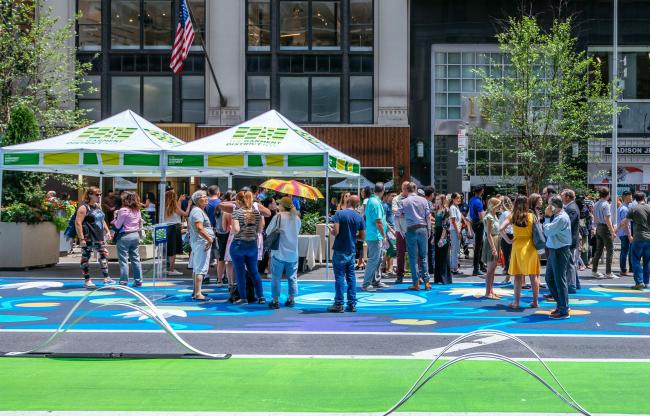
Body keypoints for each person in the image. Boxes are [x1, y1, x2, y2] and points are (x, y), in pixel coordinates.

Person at [500, 195, 541, 309]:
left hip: (517, 246)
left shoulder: (512, 216)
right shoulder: (532, 216)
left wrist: (508, 240)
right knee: (533, 276)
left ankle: (516, 302)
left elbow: (501, 228)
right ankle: (535, 302)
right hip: (530, 246)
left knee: (518, 276)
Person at [327, 195, 366, 312]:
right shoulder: (359, 217)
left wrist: (331, 230)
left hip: (340, 248)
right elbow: (362, 237)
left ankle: (339, 303)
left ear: (347, 201)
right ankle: (352, 303)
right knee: (351, 277)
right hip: (351, 249)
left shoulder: (339, 214)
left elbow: (336, 232)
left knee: (339, 277)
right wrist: (354, 236)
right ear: (357, 205)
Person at [266, 196, 302, 309]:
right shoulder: (297, 218)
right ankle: (291, 298)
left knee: (276, 277)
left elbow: (268, 231)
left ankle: (275, 300)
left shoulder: (278, 217)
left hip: (279, 251)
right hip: (293, 252)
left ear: (282, 205)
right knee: (292, 276)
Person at [230, 191, 266, 304]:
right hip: (252, 245)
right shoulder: (257, 213)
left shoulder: (236, 213)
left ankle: (243, 298)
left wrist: (232, 230)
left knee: (240, 273)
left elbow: (235, 229)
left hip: (238, 245)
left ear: (239, 201)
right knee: (254, 272)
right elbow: (260, 230)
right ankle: (261, 297)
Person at [75, 186, 113, 289]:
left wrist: (107, 231)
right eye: (97, 194)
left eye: (100, 194)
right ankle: (87, 280)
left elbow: (102, 219)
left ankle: (106, 277)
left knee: (104, 254)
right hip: (88, 237)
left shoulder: (98, 206)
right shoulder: (84, 207)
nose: (99, 196)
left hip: (99, 236)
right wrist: (81, 238)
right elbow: (78, 223)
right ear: (90, 195)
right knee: (86, 257)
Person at [542, 196, 572, 319]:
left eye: (549, 205)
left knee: (559, 280)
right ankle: (561, 304)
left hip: (559, 250)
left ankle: (563, 308)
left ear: (554, 206)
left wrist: (547, 218)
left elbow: (548, 231)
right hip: (555, 249)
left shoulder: (561, 218)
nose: (547, 208)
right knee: (549, 278)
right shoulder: (559, 217)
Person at [399, 182, 432, 291]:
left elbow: (398, 214)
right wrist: (429, 229)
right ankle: (427, 282)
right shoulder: (424, 200)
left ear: (407, 190)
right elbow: (428, 216)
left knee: (413, 258)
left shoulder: (404, 201)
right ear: (416, 189)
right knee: (423, 257)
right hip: (423, 228)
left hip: (411, 229)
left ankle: (416, 283)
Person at [112, 191, 143, 286]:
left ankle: (123, 281)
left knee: (123, 260)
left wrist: (115, 217)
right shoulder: (137, 210)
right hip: (135, 235)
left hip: (125, 236)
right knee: (135, 258)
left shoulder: (123, 210)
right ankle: (138, 280)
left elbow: (117, 225)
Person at [188, 190, 214, 301]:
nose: (206, 198)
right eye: (204, 197)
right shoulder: (197, 211)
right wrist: (209, 239)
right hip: (202, 242)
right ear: (198, 200)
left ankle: (196, 291)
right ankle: (198, 293)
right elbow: (199, 227)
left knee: (197, 267)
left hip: (199, 241)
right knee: (201, 268)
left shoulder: (197, 210)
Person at [621, 192, 650, 290]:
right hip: (649, 239)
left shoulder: (633, 209)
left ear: (635, 199)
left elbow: (625, 222)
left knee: (635, 260)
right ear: (644, 198)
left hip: (638, 238)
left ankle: (639, 282)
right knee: (647, 261)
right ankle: (646, 282)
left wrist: (628, 234)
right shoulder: (649, 208)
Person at [362, 182, 388, 291]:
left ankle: (375, 281)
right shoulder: (375, 202)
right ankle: (366, 283)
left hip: (375, 235)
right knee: (374, 259)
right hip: (375, 236)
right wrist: (384, 235)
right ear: (383, 190)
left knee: (378, 259)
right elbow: (378, 222)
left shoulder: (373, 200)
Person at [591, 188, 618, 279]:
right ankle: (608, 272)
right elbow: (607, 218)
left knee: (598, 250)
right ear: (608, 194)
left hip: (598, 227)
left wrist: (594, 227)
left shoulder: (596, 204)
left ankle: (594, 271)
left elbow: (594, 217)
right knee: (610, 249)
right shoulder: (606, 204)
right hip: (605, 228)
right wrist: (612, 231)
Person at [164, 188, 191, 276]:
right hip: (174, 228)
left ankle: (168, 268)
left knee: (169, 249)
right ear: (173, 197)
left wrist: (179, 200)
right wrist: (189, 205)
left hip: (168, 227)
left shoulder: (165, 205)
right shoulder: (174, 206)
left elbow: (177, 211)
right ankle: (171, 270)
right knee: (173, 250)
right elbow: (185, 214)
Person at [561, 189, 582, 293]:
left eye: (562, 196)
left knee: (569, 263)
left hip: (570, 239)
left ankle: (571, 285)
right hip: (570, 239)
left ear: (567, 197)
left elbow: (567, 223)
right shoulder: (570, 207)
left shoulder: (572, 208)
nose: (561, 198)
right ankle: (575, 283)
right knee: (570, 261)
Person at [482, 197, 502, 299]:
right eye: (498, 205)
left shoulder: (494, 215)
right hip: (492, 241)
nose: (500, 207)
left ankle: (491, 290)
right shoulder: (489, 216)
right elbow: (489, 234)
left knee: (493, 269)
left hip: (496, 240)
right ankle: (487, 292)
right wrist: (494, 248)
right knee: (490, 269)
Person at [391, 181, 410, 283]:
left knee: (414, 253)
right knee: (400, 254)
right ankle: (399, 276)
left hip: (411, 229)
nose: (406, 190)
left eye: (408, 188)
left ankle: (417, 276)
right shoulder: (396, 199)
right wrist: (405, 213)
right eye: (404, 188)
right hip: (399, 230)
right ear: (402, 188)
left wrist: (401, 213)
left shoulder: (411, 198)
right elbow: (394, 210)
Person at [433, 194, 452, 284]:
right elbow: (435, 224)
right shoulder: (437, 210)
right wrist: (434, 237)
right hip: (437, 233)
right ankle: (438, 278)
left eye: (438, 199)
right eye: (436, 199)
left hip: (443, 235)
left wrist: (441, 238)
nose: (436, 201)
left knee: (444, 256)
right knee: (437, 256)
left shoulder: (446, 210)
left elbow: (445, 226)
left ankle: (445, 278)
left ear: (442, 200)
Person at [469, 186, 486, 275]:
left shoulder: (472, 200)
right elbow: (481, 216)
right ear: (481, 191)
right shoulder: (478, 202)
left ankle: (481, 265)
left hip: (474, 223)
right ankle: (476, 268)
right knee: (478, 247)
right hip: (479, 223)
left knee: (480, 245)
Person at [615, 191, 633, 277]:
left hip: (622, 232)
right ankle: (623, 270)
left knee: (624, 251)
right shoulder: (625, 209)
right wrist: (629, 235)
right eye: (630, 196)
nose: (631, 198)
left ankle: (623, 269)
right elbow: (625, 224)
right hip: (625, 233)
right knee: (624, 252)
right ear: (626, 197)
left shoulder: (622, 207)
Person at [499, 196, 514, 284]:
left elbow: (501, 228)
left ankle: (508, 277)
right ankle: (510, 276)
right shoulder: (512, 212)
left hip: (506, 236)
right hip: (512, 235)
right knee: (510, 257)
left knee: (507, 257)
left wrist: (507, 239)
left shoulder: (504, 214)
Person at [382, 191, 397, 276]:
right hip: (388, 230)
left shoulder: (394, 206)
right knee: (392, 248)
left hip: (394, 230)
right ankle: (386, 266)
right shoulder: (385, 206)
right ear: (387, 196)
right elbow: (383, 220)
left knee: (391, 249)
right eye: (392, 196)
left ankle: (387, 267)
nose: (394, 197)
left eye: (395, 195)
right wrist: (391, 230)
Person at [449, 192, 463, 274]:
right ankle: (454, 267)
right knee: (454, 249)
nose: (459, 199)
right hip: (454, 230)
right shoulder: (453, 207)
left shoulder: (456, 207)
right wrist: (458, 232)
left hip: (457, 229)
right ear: (453, 199)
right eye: (458, 198)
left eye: (460, 198)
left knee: (456, 248)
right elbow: (453, 221)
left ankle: (454, 266)